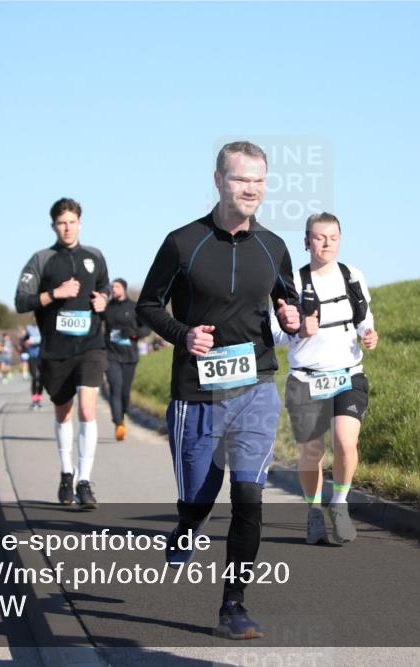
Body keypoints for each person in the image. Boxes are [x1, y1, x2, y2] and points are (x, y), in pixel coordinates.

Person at [136, 141, 301, 640]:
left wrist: (292, 316)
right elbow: (147, 306)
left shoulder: (274, 247)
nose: (251, 189)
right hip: (198, 393)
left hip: (255, 387)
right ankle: (187, 526)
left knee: (249, 496)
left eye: (259, 180)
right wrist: (183, 334)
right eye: (240, 179)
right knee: (198, 499)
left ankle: (234, 604)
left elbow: (288, 302)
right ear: (218, 181)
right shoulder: (183, 242)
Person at [271, 213, 378, 545]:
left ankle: (340, 504)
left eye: (333, 237)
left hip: (348, 374)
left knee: (346, 443)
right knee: (312, 451)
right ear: (306, 242)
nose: (326, 243)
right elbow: (274, 334)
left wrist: (368, 333)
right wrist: (299, 330)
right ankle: (314, 512)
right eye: (319, 237)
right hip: (307, 378)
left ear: (340, 240)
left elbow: (363, 316)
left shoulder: (352, 275)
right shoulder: (290, 282)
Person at [14, 197, 111, 509]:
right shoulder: (41, 260)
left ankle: (85, 480)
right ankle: (66, 473)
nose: (67, 228)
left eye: (71, 222)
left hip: (91, 345)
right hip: (56, 350)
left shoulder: (94, 256)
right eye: (61, 223)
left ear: (80, 223)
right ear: (53, 226)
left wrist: (104, 300)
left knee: (87, 410)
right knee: (64, 412)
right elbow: (21, 301)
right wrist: (54, 294)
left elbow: (105, 287)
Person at [103, 278, 150, 441]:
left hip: (130, 355)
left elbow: (147, 328)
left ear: (123, 288)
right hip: (110, 354)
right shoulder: (107, 308)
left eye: (116, 286)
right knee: (115, 389)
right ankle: (119, 423)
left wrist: (135, 333)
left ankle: (122, 416)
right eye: (111, 287)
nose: (113, 289)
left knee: (124, 392)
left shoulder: (134, 307)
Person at [22, 323, 44, 410]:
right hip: (33, 356)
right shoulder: (29, 329)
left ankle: (39, 400)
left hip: (43, 356)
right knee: (35, 377)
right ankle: (34, 400)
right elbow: (23, 341)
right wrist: (26, 343)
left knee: (42, 379)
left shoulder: (44, 327)